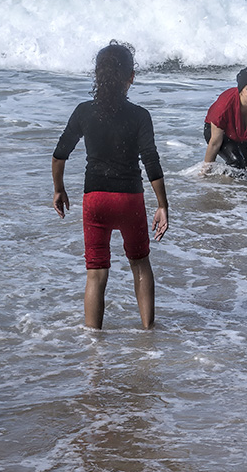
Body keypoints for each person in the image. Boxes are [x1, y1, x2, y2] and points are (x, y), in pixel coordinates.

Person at [52, 42, 169, 330]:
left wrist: (59, 188)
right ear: (131, 77)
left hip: (96, 200)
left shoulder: (83, 112)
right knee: (140, 264)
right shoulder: (140, 115)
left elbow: (59, 154)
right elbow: (151, 161)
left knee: (96, 273)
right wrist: (163, 205)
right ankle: (148, 333)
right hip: (129, 199)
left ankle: (93, 345)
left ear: (98, 76)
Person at [203, 66, 247, 177]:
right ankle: (226, 187)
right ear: (241, 90)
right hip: (220, 134)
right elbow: (215, 143)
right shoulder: (225, 105)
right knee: (237, 163)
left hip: (245, 135)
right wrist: (204, 174)